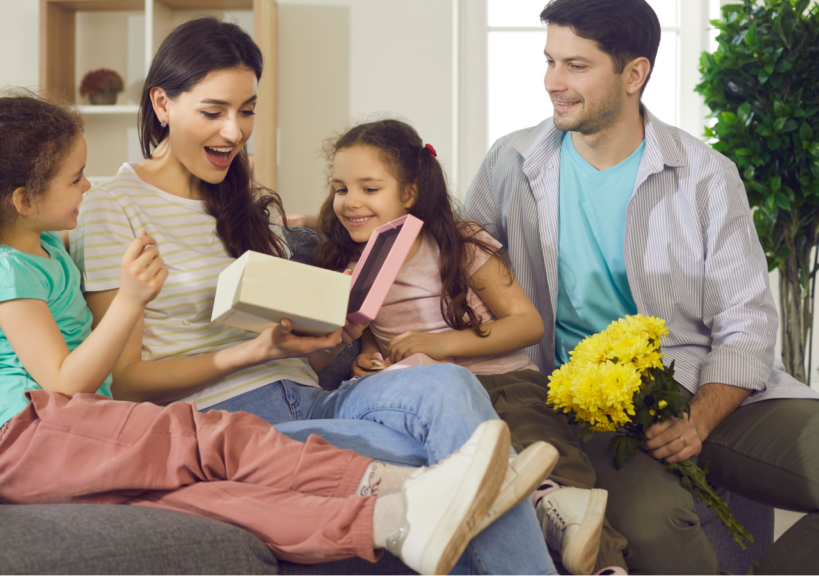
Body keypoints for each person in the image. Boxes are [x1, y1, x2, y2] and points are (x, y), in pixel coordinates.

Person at [0, 91, 534, 576]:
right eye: (75, 178)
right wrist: (131, 301)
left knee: (218, 501)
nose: (87, 188)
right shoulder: (2, 269)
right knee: (212, 437)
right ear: (20, 199)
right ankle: (405, 488)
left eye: (248, 108)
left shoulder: (42, 250)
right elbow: (64, 381)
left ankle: (388, 522)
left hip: (61, 446)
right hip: (36, 436)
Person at [71, 17, 559, 576]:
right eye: (213, 112)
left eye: (247, 110)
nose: (234, 132)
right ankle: (536, 525)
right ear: (162, 103)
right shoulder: (112, 205)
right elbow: (127, 381)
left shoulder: (251, 207)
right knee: (447, 463)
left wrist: (335, 336)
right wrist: (249, 353)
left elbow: (309, 354)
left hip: (316, 397)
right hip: (231, 427)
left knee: (447, 385)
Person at [462, 1, 819, 574]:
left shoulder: (706, 174)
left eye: (576, 66)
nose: (554, 82)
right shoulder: (512, 160)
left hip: (701, 384)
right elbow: (456, 255)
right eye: (550, 61)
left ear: (635, 74)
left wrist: (699, 420)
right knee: (655, 529)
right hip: (585, 408)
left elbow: (747, 321)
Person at [313, 117, 624, 576]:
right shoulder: (350, 264)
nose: (350, 202)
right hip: (436, 404)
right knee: (489, 485)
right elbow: (366, 345)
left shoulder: (460, 244)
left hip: (506, 386)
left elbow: (528, 323)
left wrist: (440, 345)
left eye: (369, 188)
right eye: (340, 188)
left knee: (563, 477)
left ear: (411, 191)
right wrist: (366, 359)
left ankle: (606, 567)